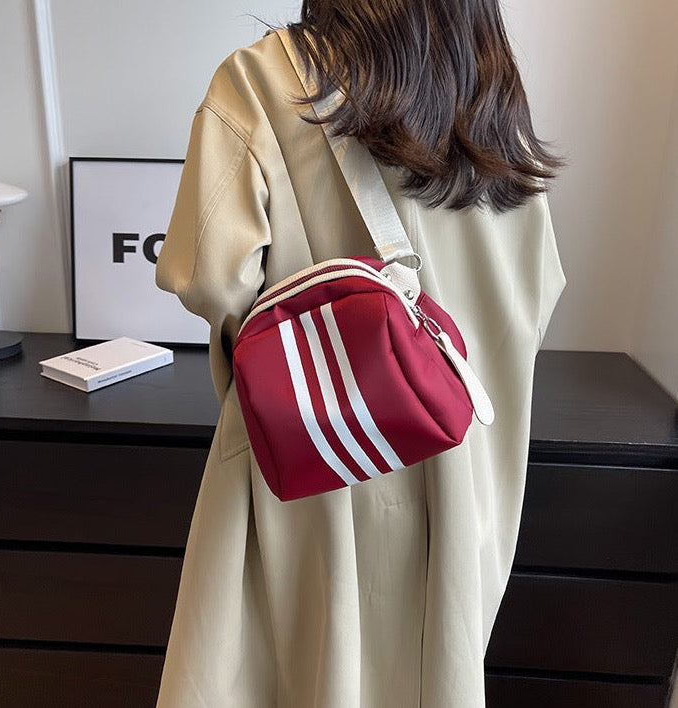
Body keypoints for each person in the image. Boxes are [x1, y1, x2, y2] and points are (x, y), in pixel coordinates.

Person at [155, 1, 565, 706]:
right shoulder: (495, 104)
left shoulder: (261, 81)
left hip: (312, 470)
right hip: (470, 482)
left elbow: (207, 278)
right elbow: (539, 288)